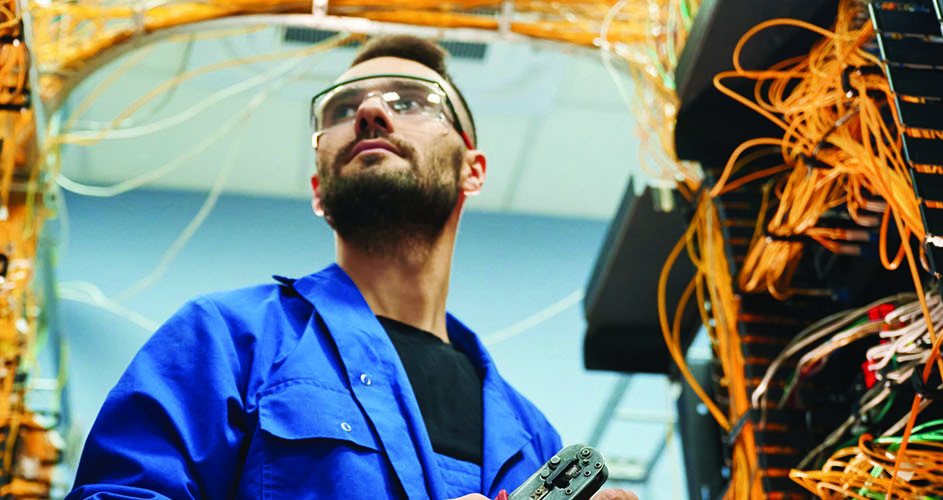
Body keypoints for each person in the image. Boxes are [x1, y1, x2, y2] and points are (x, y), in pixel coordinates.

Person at [66, 35, 637, 500]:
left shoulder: (532, 439)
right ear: (319, 189)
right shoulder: (228, 340)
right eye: (342, 108)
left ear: (472, 169)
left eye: (411, 101)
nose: (368, 110)